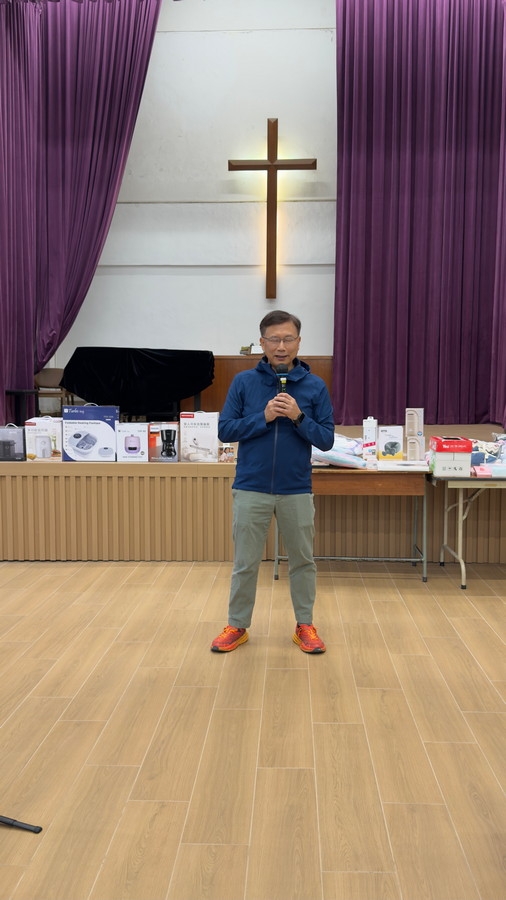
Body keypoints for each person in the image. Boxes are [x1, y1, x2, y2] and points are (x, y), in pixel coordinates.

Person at [211, 310, 335, 654]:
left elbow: (326, 439)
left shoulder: (314, 386)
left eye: (288, 339)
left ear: (299, 342)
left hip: (296, 488)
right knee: (246, 562)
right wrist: (263, 417)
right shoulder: (244, 383)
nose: (281, 346)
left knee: (303, 561)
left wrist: (298, 416)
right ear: (262, 343)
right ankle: (237, 625)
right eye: (274, 339)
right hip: (251, 486)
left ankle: (305, 624)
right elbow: (225, 430)